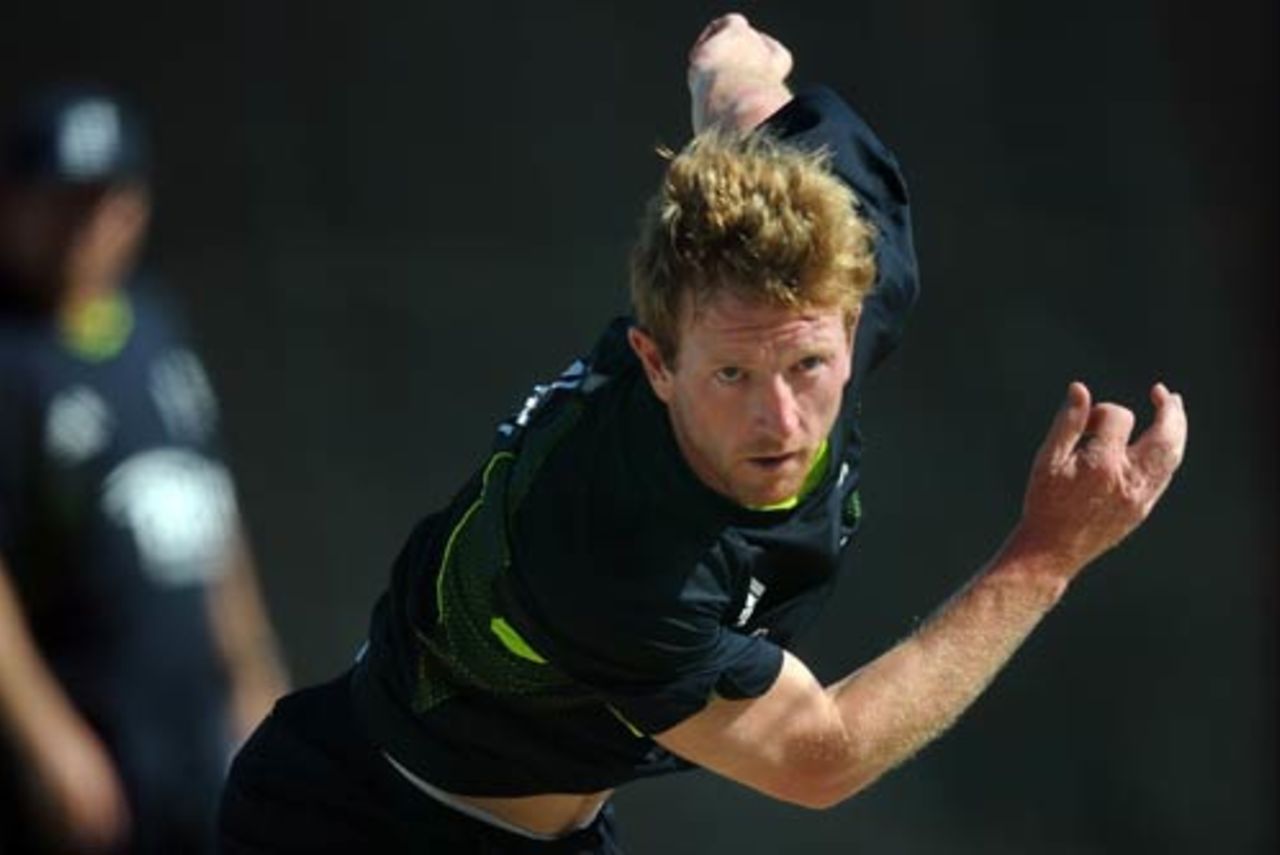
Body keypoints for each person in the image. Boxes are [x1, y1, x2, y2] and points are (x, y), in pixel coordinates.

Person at [218, 14, 1187, 855]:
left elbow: (761, 128)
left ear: (853, 322)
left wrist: (729, 72)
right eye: (730, 374)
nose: (778, 420)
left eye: (807, 367)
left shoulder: (842, 272)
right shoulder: (615, 553)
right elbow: (822, 757)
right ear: (655, 361)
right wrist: (1046, 553)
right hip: (360, 821)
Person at [0, 85, 290, 854]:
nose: (86, 227)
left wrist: (256, 674)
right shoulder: (13, 356)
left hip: (192, 744)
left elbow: (210, 510)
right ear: (15, 205)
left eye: (105, 201)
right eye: (61, 201)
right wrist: (47, 739)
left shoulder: (154, 325)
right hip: (88, 753)